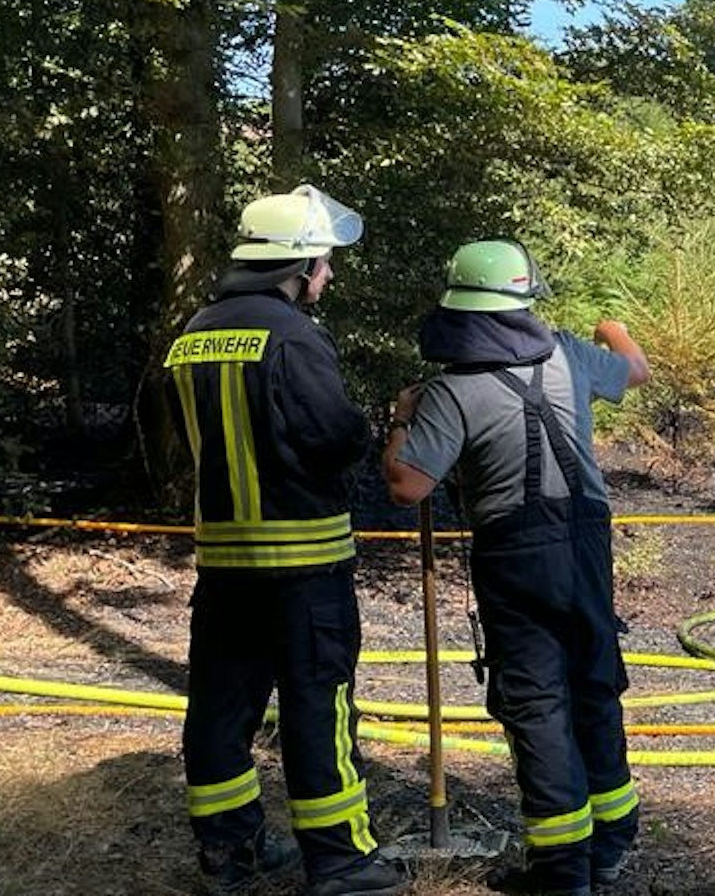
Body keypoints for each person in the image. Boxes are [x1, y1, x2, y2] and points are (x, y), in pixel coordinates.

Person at [381, 238, 651, 896]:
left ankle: (562, 873)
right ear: (524, 302)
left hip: (516, 551)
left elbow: (406, 485)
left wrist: (399, 420)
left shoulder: (449, 391)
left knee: (536, 703)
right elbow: (635, 369)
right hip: (589, 544)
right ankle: (612, 841)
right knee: (592, 683)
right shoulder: (568, 352)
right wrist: (612, 328)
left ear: (460, 311)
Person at [164, 185, 407, 896]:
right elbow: (335, 436)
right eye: (324, 264)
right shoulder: (294, 336)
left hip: (224, 564)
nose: (328, 277)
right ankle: (340, 861)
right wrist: (374, 428)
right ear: (297, 267)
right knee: (316, 704)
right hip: (304, 565)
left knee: (220, 707)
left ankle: (229, 854)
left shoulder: (193, 332)